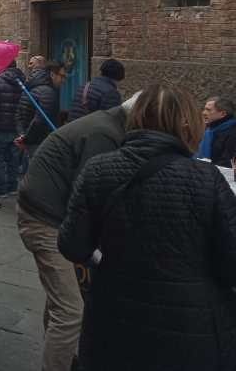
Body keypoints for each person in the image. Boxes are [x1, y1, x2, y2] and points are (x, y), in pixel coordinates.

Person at [58, 84, 236, 371]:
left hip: (113, 319)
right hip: (191, 328)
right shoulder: (207, 178)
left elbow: (72, 245)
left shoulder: (98, 169)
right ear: (187, 123)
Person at [17, 92, 140, 371]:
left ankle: (61, 353)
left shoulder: (108, 125)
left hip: (50, 214)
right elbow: (91, 192)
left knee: (61, 300)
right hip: (45, 220)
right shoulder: (105, 133)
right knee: (71, 311)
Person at [15, 61, 65, 160]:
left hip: (30, 142)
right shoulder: (48, 93)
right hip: (39, 143)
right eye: (62, 76)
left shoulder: (32, 87)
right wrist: (26, 139)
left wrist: (23, 135)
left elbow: (19, 115)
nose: (63, 80)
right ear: (52, 75)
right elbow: (39, 121)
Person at [0, 61, 26, 197]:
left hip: (0, 125)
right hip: (16, 126)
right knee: (13, 159)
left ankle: (1, 188)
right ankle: (12, 186)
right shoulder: (22, 82)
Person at [197, 96, 236, 166]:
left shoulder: (232, 133)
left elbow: (227, 163)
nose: (203, 113)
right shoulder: (208, 130)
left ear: (223, 114)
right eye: (204, 109)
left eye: (208, 110)